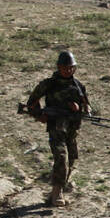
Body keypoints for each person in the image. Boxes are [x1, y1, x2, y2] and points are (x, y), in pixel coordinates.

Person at [26, 51, 90, 207]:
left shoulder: (78, 86)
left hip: (72, 130)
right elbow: (32, 103)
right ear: (59, 67)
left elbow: (87, 107)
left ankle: (59, 187)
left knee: (72, 159)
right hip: (56, 128)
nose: (68, 71)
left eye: (71, 68)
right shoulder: (49, 84)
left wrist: (79, 108)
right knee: (61, 158)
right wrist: (39, 115)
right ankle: (56, 193)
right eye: (65, 67)